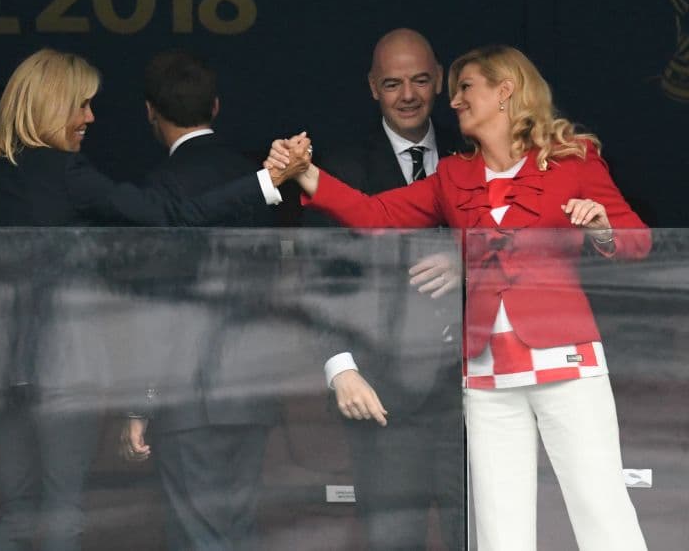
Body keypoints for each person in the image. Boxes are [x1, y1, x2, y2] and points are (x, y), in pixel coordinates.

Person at [269, 45, 650, 550]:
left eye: (466, 88)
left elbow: (637, 240)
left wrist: (600, 228)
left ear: (505, 90)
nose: (453, 102)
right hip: (487, 374)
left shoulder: (572, 159)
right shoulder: (453, 175)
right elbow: (375, 215)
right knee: (498, 528)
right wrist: (304, 172)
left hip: (567, 362)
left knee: (601, 511)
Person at [0, 47, 294, 551]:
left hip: (1, 370)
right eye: (81, 105)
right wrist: (266, 182)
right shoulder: (67, 174)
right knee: (63, 510)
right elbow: (172, 218)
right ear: (51, 106)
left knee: (17, 511)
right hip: (64, 369)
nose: (90, 117)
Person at [300, 29, 464, 550]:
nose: (409, 95)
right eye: (393, 84)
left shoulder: (474, 157)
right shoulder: (343, 169)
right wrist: (341, 369)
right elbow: (318, 279)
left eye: (420, 80)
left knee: (483, 536)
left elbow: (530, 246)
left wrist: (470, 260)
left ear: (440, 80)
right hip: (383, 396)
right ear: (373, 88)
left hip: (475, 392)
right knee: (393, 539)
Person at [119, 49, 279, 550]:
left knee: (201, 538)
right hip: (251, 389)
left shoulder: (159, 190)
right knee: (239, 531)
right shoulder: (255, 182)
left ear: (150, 112)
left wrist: (139, 403)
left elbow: (157, 305)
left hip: (187, 397)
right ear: (215, 106)